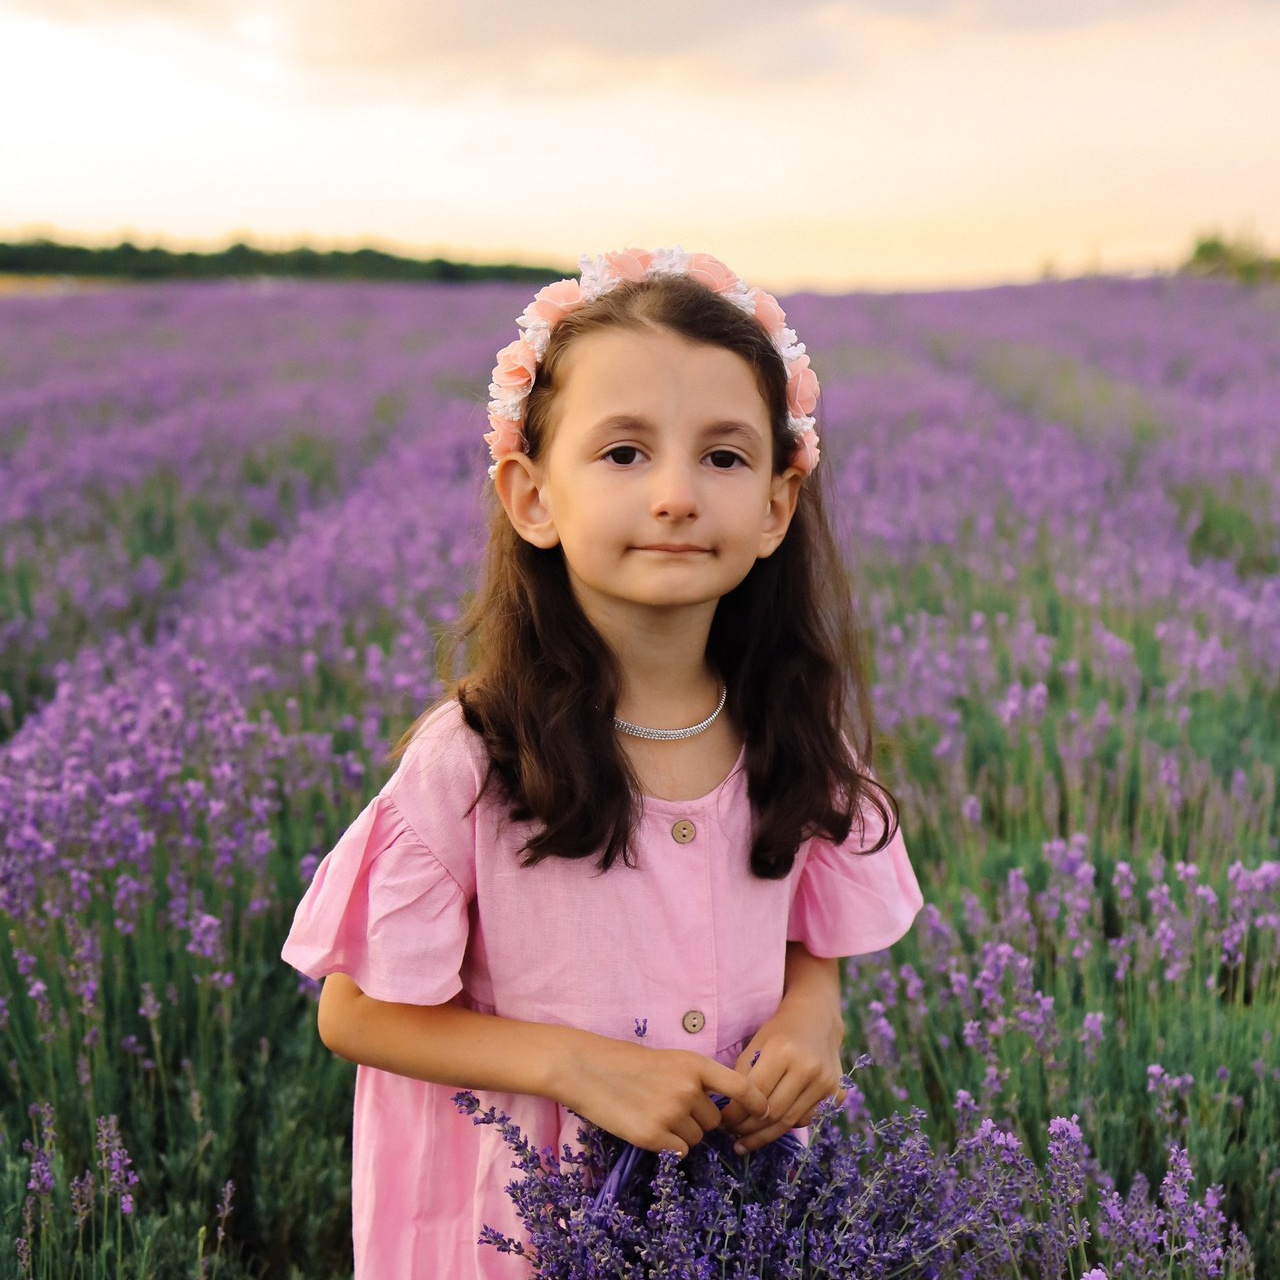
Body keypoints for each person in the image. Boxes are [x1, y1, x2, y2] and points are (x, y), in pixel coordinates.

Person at [282, 246, 924, 1278]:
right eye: (623, 453)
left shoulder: (791, 731)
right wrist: (576, 1065)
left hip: (722, 1212)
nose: (674, 493)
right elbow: (351, 1009)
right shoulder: (476, 758)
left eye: (722, 456)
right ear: (530, 495)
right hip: (510, 1225)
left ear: (774, 504)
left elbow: (815, 932)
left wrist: (813, 1016)